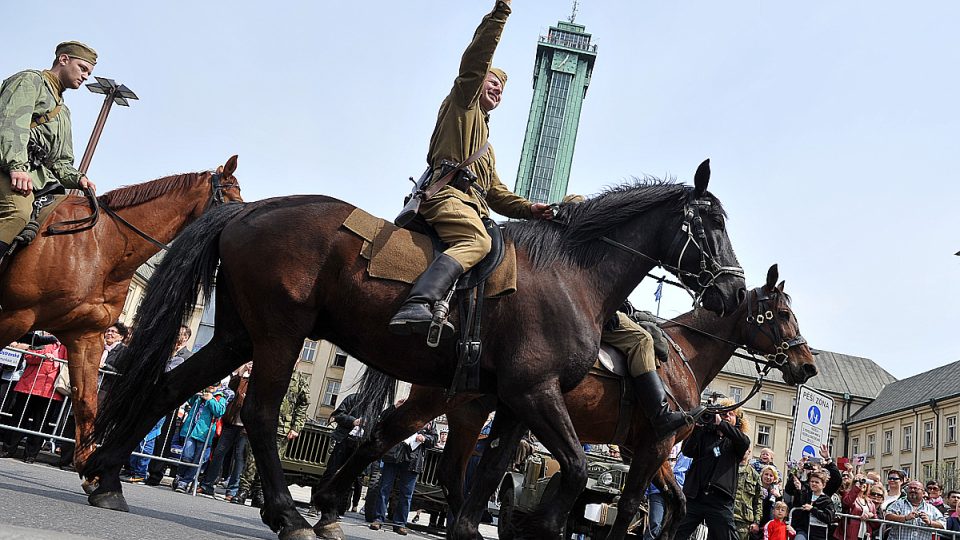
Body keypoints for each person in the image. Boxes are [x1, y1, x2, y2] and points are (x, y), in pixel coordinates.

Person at [388, 0, 554, 337]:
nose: (498, 89)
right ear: (476, 82)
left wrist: (531, 209)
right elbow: (476, 58)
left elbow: (495, 193)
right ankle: (417, 303)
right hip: (446, 197)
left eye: (503, 89)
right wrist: (501, 13)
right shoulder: (463, 105)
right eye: (492, 82)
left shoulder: (486, 149)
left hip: (473, 207)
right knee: (476, 241)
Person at [0, 41, 98, 261]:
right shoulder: (30, 81)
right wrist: (16, 167)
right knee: (18, 212)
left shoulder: (64, 113)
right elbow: (9, 125)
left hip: (36, 179)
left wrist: (79, 178)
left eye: (89, 73)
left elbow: (60, 162)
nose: (85, 76)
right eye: (82, 68)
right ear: (64, 59)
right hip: (7, 167)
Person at [673, 401, 751, 540]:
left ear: (738, 420)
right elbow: (688, 451)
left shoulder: (736, 441)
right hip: (695, 496)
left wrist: (722, 424)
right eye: (722, 413)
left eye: (730, 413)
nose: (726, 415)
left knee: (727, 536)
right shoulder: (706, 434)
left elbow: (744, 441)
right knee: (676, 533)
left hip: (719, 500)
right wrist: (697, 427)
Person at [233, 369, 310, 506]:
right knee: (251, 460)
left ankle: (260, 493)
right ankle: (242, 491)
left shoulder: (299, 379)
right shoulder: (269, 371)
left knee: (271, 464)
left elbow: (303, 404)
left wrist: (296, 426)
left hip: (282, 429)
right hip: (261, 424)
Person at [369, 412, 438, 536]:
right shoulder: (406, 409)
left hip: (413, 459)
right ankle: (378, 519)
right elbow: (386, 424)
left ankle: (400, 523)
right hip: (394, 454)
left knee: (406, 494)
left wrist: (425, 438)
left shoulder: (430, 420)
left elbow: (434, 439)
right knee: (384, 489)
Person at [0, 336, 67, 462]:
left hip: (50, 390)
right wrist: (44, 355)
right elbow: (28, 356)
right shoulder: (44, 341)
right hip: (29, 385)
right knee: (18, 418)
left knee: (40, 423)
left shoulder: (67, 346)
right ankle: (8, 449)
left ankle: (31, 454)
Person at [198, 361, 251, 500]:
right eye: (250, 363)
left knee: (239, 458)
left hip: (245, 426)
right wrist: (241, 373)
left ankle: (232, 491)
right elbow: (230, 388)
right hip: (231, 422)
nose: (251, 366)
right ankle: (207, 485)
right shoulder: (241, 379)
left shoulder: (259, 382)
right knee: (219, 453)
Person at [172, 385, 229, 493]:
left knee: (197, 460)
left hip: (204, 434)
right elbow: (190, 400)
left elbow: (220, 412)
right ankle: (180, 476)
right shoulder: (199, 396)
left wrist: (211, 399)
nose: (211, 386)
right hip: (191, 431)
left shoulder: (219, 398)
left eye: (215, 384)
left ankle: (184, 482)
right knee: (186, 455)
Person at [834, 474, 878, 540]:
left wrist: (872, 515)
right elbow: (847, 503)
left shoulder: (870, 502)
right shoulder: (848, 495)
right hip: (849, 534)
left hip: (864, 534)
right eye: (859, 482)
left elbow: (876, 525)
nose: (862, 484)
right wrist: (856, 488)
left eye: (864, 481)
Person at [735, 449, 764, 540]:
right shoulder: (728, 469)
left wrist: (756, 522)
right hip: (724, 515)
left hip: (743, 521)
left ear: (749, 451)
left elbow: (758, 500)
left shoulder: (754, 475)